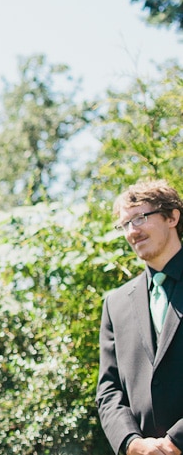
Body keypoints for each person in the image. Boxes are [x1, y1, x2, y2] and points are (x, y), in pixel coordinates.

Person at [97, 179, 183, 455]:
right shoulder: (115, 303)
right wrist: (132, 443)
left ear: (172, 217)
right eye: (125, 224)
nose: (132, 231)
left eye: (141, 218)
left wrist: (177, 440)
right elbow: (109, 391)